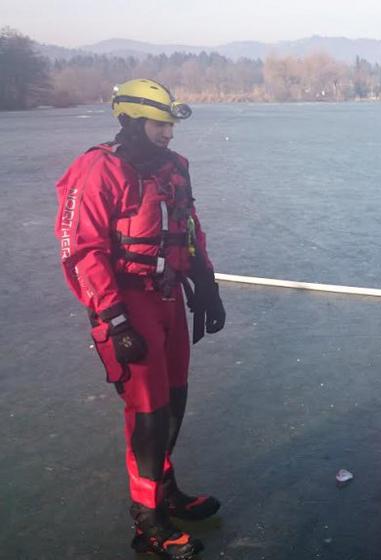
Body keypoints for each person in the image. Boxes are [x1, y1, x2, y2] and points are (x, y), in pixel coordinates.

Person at [54, 78, 226, 559]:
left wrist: (206, 285)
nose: (169, 135)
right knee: (147, 415)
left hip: (168, 297)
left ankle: (165, 490)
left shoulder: (175, 169)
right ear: (130, 120)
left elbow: (189, 225)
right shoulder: (97, 170)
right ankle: (147, 522)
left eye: (171, 125)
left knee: (174, 400)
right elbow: (81, 251)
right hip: (129, 304)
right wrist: (115, 319)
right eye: (160, 125)